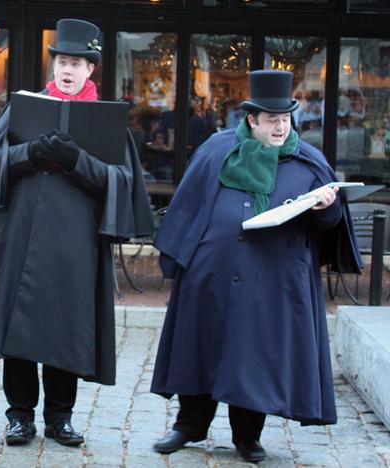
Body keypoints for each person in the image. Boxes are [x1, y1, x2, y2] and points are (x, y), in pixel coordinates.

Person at [150, 70, 362, 463]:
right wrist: (182, 258)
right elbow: (188, 205)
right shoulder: (216, 150)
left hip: (272, 280)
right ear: (252, 120)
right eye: (271, 119)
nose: (280, 127)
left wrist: (327, 209)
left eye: (285, 119)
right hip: (210, 273)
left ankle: (247, 436)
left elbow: (329, 230)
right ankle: (189, 426)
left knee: (254, 355)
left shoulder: (310, 163)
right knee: (199, 346)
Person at [0, 18, 154, 447]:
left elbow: (121, 181)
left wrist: (76, 161)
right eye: (62, 62)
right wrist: (29, 152)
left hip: (75, 244)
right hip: (20, 234)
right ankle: (19, 416)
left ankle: (59, 417)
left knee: (66, 325)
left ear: (91, 71)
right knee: (17, 324)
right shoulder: (25, 107)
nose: (68, 70)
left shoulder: (107, 122)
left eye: (77, 63)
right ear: (54, 67)